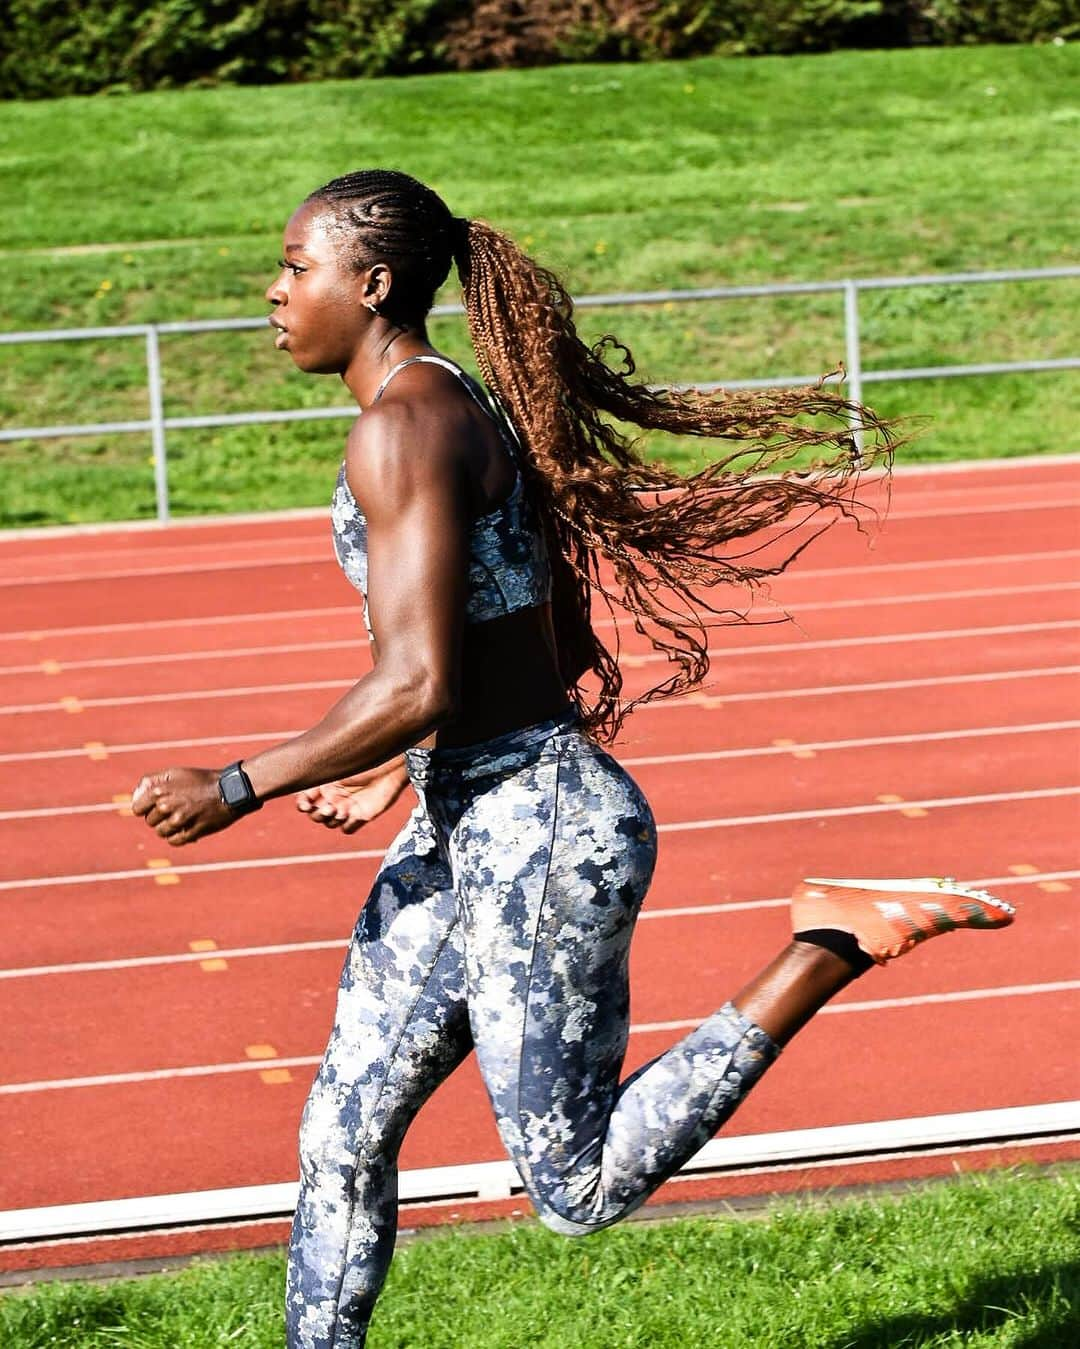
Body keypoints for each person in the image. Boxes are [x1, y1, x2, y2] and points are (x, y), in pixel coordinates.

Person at [131, 169, 1014, 1348]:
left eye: (297, 267)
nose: (275, 293)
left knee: (575, 1185)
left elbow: (419, 679)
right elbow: (532, 618)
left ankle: (830, 940)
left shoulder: (404, 425)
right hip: (468, 814)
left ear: (373, 282)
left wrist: (234, 784)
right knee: (341, 1134)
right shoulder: (441, 406)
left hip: (540, 833)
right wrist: (408, 761)